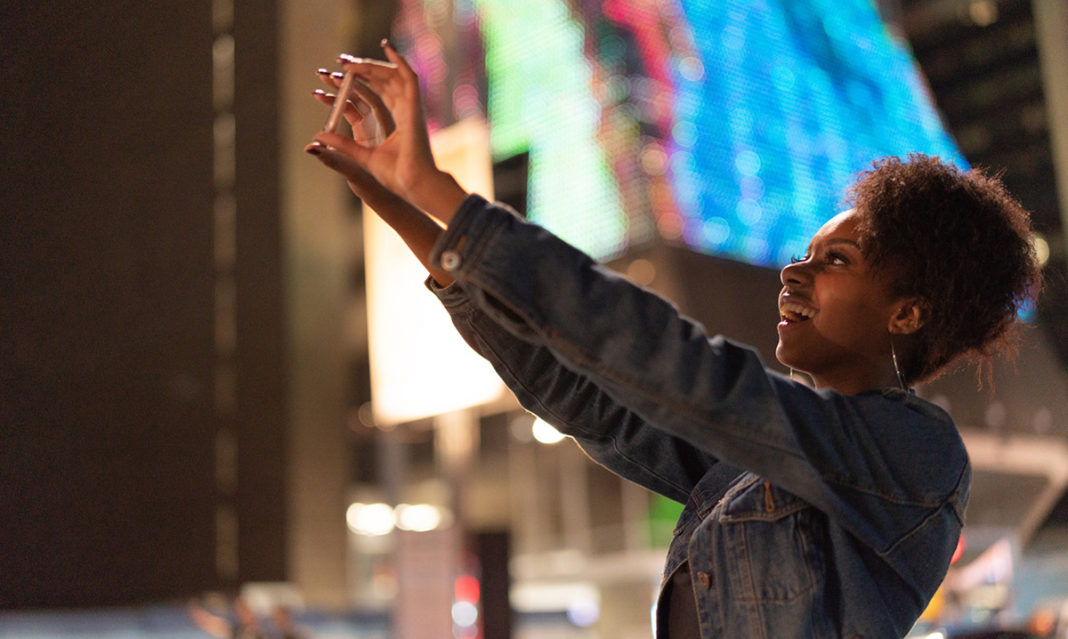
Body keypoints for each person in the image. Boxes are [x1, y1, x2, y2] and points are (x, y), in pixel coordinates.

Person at [305, 41, 1042, 638]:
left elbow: (675, 366)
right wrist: (397, 205)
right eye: (806, 253)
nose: (794, 272)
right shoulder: (750, 466)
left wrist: (443, 193)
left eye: (836, 262)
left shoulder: (917, 452)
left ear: (906, 314)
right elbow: (583, 394)